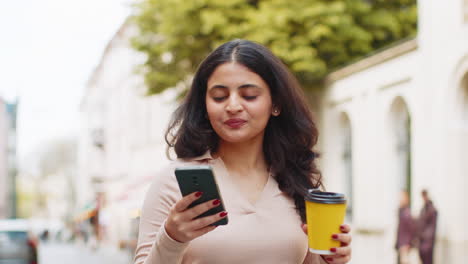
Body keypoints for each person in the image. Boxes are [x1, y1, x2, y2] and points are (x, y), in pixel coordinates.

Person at [134, 39, 352, 264]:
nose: (233, 106)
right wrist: (172, 237)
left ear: (275, 103)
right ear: (204, 106)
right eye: (219, 96)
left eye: (249, 95)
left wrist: (331, 260)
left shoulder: (298, 178)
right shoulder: (174, 180)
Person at [417, 189, 437, 264]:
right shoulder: (423, 209)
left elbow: (432, 227)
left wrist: (427, 239)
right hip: (422, 241)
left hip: (427, 242)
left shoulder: (432, 210)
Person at [395, 190, 415, 264]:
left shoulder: (406, 213)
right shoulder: (402, 211)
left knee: (404, 261)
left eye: (402, 198)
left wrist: (408, 242)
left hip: (405, 243)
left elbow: (411, 229)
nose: (400, 200)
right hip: (402, 242)